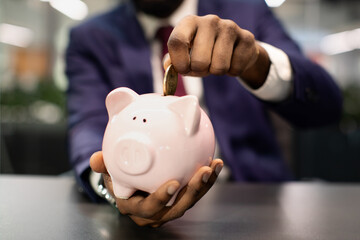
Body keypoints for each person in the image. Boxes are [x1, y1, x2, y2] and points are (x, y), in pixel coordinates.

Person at [65, 0, 342, 227]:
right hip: (143, 201)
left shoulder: (246, 11)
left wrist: (255, 62)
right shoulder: (90, 38)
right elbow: (87, 124)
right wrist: (110, 185)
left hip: (255, 201)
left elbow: (327, 105)